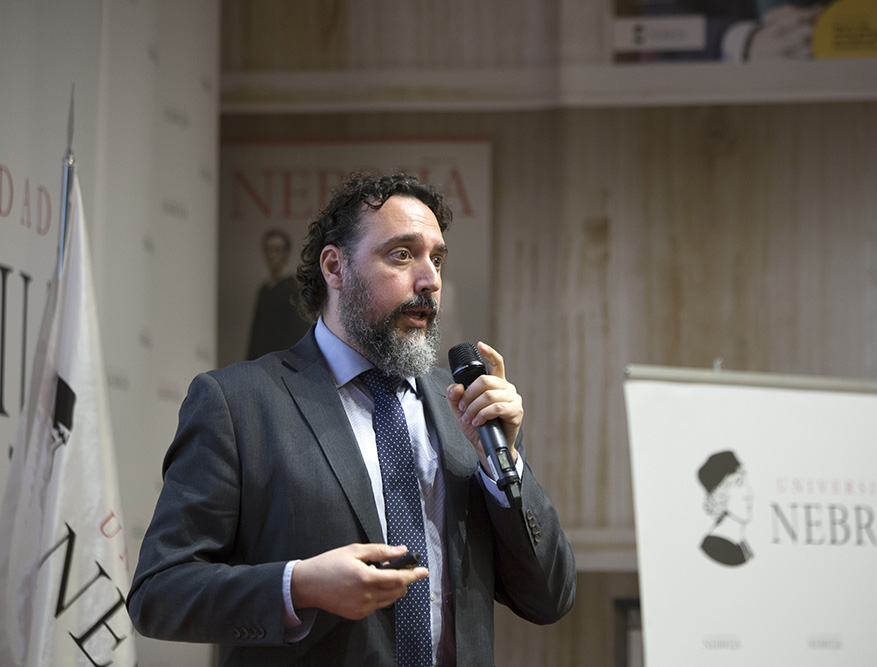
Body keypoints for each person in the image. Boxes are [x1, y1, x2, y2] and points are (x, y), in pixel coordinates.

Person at [127, 173, 576, 667]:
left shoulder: (467, 409)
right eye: (402, 255)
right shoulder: (238, 404)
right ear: (334, 267)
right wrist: (298, 585)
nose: (429, 280)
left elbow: (550, 596)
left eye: (437, 259)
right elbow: (159, 593)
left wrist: (502, 461)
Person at [246, 228, 310, 360]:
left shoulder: (293, 289)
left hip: (282, 362)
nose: (272, 255)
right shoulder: (264, 290)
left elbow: (296, 333)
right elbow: (256, 332)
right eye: (268, 249)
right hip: (261, 361)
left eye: (277, 250)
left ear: (286, 253)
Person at [698, 450, 754, 566]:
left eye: (745, 481)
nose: (749, 494)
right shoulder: (717, 547)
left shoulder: (740, 544)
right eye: (739, 483)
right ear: (720, 495)